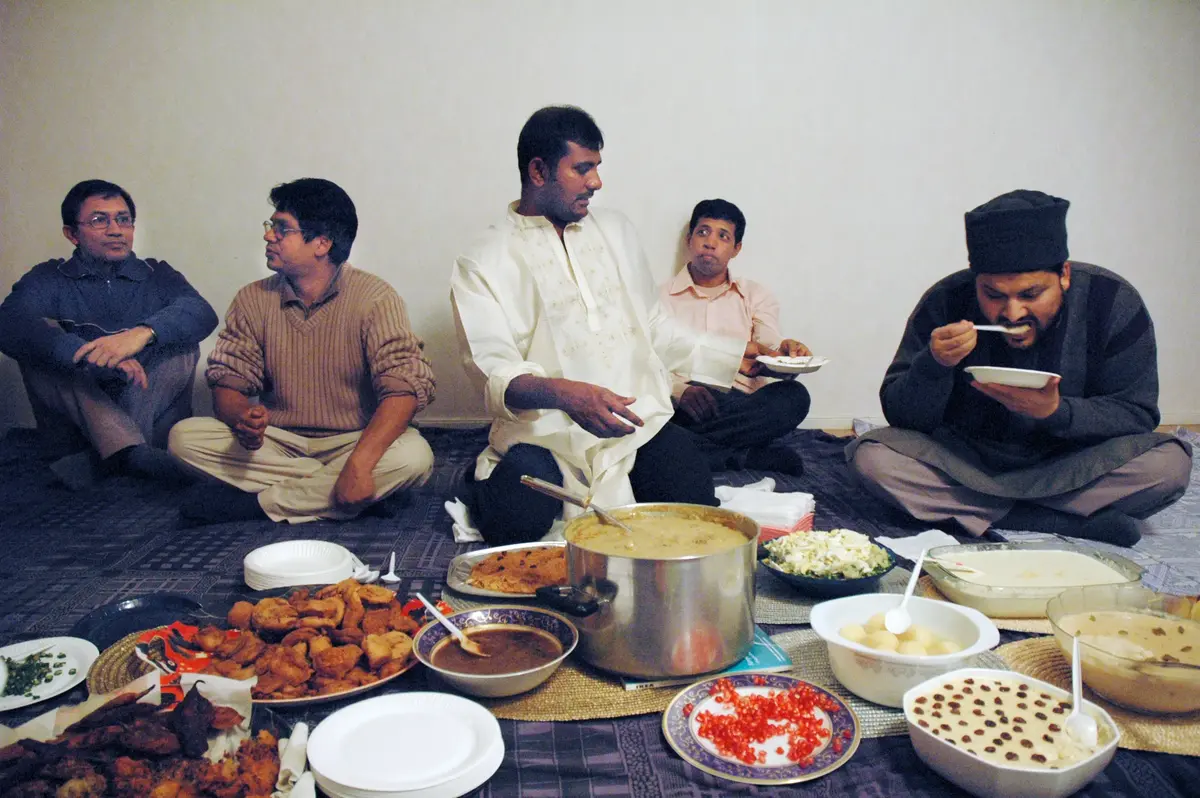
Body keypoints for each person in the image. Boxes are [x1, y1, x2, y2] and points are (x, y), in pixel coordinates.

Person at [451, 106, 746, 544]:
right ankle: (476, 484)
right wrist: (568, 396)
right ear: (538, 171)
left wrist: (744, 356)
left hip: (629, 427)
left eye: (597, 167)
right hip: (544, 437)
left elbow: (653, 325)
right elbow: (494, 371)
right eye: (582, 169)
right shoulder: (484, 259)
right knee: (516, 520)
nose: (596, 182)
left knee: (692, 494)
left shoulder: (615, 230)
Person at [847, 189, 1192, 546]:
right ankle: (1061, 520)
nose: (1012, 314)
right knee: (873, 459)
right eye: (993, 295)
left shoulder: (1112, 302)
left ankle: (980, 511)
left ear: (1064, 275)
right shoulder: (946, 300)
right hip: (966, 463)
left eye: (1030, 295)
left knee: (1168, 467)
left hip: (1075, 462)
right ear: (976, 281)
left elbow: (1137, 414)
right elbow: (902, 416)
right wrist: (934, 364)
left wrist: (1056, 412)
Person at [169, 178, 435, 524]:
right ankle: (349, 494)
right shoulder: (252, 298)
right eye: (270, 226)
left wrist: (360, 462)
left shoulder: (375, 298)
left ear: (322, 243)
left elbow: (403, 390)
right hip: (278, 443)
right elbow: (229, 383)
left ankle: (256, 505)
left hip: (355, 441)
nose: (269, 236)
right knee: (184, 439)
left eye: (282, 229)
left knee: (414, 457)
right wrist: (242, 418)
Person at [0, 179, 217, 488]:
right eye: (99, 220)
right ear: (72, 234)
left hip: (147, 413)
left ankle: (113, 456)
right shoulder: (49, 277)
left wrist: (141, 334)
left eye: (123, 220)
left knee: (181, 342)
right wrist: (87, 354)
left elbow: (202, 312)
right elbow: (8, 321)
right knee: (43, 345)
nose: (116, 230)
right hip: (80, 424)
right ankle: (127, 454)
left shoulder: (157, 274)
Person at [661, 198, 812, 476]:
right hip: (683, 403)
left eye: (723, 236)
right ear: (689, 239)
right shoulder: (659, 297)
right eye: (703, 232)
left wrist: (787, 353)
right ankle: (740, 455)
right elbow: (646, 360)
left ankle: (698, 451)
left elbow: (769, 345)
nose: (710, 243)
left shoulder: (755, 295)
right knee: (652, 414)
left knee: (794, 397)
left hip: (740, 404)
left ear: (736, 248)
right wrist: (679, 391)